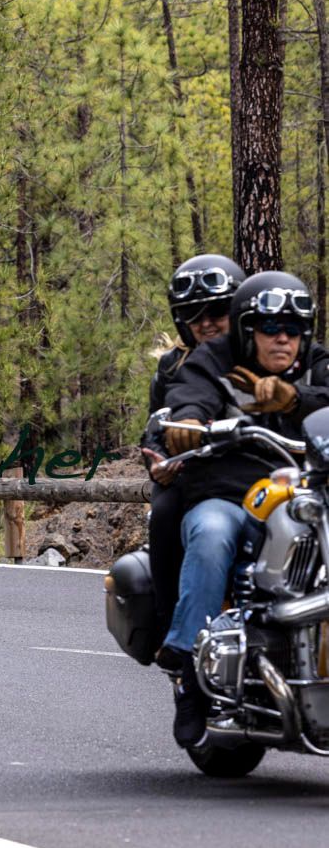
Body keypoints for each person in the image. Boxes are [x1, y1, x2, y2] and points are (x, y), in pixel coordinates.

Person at [159, 270, 329, 746]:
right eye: (270, 326)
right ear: (245, 329)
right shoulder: (214, 359)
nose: (282, 337)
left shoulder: (317, 365)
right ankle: (189, 674)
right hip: (229, 491)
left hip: (306, 494)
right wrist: (188, 421)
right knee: (211, 534)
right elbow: (189, 395)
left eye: (293, 328)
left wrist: (296, 399)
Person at [139, 255, 243, 649]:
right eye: (193, 314)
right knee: (164, 512)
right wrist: (158, 463)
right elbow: (154, 429)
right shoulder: (171, 367)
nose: (206, 322)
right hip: (191, 473)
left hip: (257, 470)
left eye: (217, 310)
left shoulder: (263, 355)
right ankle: (172, 626)